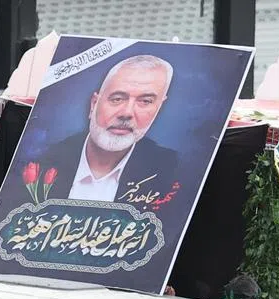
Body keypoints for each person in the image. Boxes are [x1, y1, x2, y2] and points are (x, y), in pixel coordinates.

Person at [32, 55, 178, 204]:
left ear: (158, 108)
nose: (126, 113)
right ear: (94, 104)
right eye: (117, 99)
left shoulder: (173, 172)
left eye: (145, 101)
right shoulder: (40, 163)